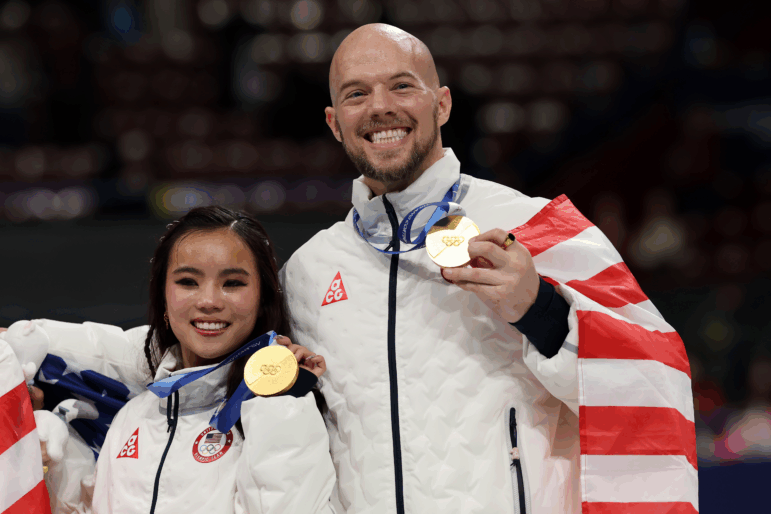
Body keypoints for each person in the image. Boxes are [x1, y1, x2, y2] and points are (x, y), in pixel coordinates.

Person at [3, 24, 697, 514]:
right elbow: (190, 350)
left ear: (441, 103)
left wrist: (539, 310)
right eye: (358, 94)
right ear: (335, 123)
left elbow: (654, 378)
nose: (381, 108)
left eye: (401, 85)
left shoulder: (533, 226)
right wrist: (26, 351)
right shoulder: (310, 271)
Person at [5, 206, 337, 513]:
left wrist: (276, 395)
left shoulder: (284, 406)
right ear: (164, 296)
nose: (209, 301)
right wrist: (52, 465)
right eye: (188, 282)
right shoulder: (136, 415)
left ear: (263, 296)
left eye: (232, 283)